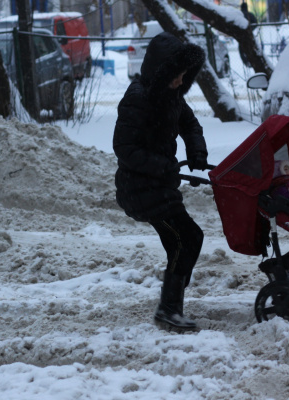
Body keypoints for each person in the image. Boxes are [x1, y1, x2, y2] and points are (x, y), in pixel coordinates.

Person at [113, 32, 208, 330]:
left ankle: (171, 304)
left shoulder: (171, 95)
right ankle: (169, 309)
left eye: (183, 76)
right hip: (139, 189)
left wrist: (196, 152)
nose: (181, 82)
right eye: (176, 76)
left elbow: (190, 124)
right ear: (162, 72)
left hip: (160, 187)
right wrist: (163, 167)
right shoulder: (138, 99)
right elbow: (124, 148)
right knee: (188, 238)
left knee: (182, 243)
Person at [239, 2, 258, 66]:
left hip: (241, 36)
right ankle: (252, 61)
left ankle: (246, 62)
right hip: (249, 35)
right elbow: (255, 23)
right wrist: (251, 29)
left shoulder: (239, 15)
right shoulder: (250, 15)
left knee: (241, 49)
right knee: (251, 48)